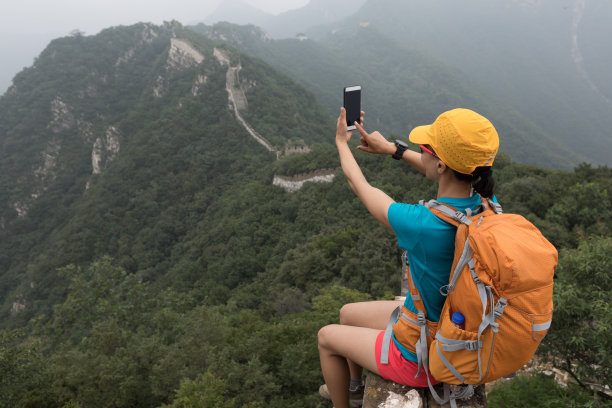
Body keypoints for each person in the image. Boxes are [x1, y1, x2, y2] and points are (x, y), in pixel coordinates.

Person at [317, 107, 499, 408]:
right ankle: (353, 387)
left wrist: (340, 142)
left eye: (424, 149)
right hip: (449, 329)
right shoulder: (487, 206)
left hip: (417, 356)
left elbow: (360, 186)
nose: (420, 152)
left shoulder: (423, 223)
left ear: (440, 165)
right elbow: (440, 169)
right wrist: (393, 150)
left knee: (326, 337)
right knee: (347, 313)